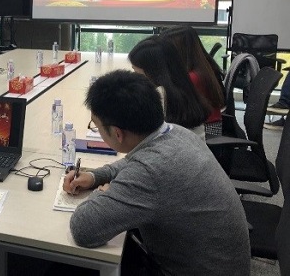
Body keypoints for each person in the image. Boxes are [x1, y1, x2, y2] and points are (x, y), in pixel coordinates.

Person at [63, 70, 250, 275]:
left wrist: (102, 193)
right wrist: (95, 177)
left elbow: (83, 229)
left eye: (96, 126)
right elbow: (133, 161)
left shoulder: (150, 172)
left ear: (117, 133)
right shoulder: (175, 132)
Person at [128, 37, 210, 139]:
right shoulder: (184, 88)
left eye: (137, 72)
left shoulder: (160, 95)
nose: (135, 77)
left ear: (152, 71)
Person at [160, 25, 225, 135]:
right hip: (208, 126)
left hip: (206, 131)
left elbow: (176, 112)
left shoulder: (192, 78)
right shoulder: (203, 68)